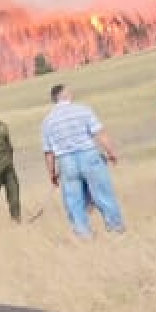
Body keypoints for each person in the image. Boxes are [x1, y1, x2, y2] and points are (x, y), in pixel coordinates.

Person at [39, 84, 126, 238]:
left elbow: (48, 152)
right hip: (89, 155)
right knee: (103, 194)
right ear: (65, 95)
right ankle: (116, 228)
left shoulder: (48, 120)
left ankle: (83, 234)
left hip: (66, 162)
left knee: (74, 201)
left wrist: (52, 173)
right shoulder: (82, 110)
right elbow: (100, 133)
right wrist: (111, 153)